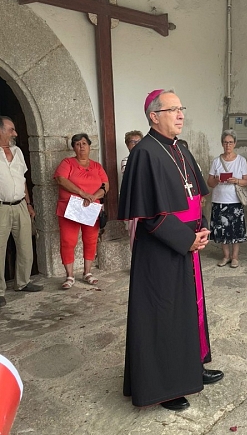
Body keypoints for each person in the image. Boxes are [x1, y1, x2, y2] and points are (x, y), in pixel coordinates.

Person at [118, 89, 223, 411]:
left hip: (187, 242)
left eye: (182, 108)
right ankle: (165, 386)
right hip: (161, 249)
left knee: (189, 309)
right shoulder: (144, 153)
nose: (181, 115)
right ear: (154, 115)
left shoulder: (180, 149)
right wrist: (185, 239)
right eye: (173, 109)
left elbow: (195, 195)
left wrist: (202, 227)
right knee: (164, 315)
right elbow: (149, 213)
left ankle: (191, 367)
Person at [54, 133, 109, 289]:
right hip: (71, 208)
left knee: (90, 240)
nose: (81, 147)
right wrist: (83, 193)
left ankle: (87, 272)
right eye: (77, 144)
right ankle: (70, 276)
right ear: (73, 148)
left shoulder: (97, 166)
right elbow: (61, 179)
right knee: (68, 241)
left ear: (89, 146)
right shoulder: (67, 163)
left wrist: (93, 197)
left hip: (91, 209)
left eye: (84, 143)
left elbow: (106, 185)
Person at [0, 116, 43, 307]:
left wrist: (29, 203)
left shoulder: (17, 152)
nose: (15, 133)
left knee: (25, 244)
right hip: (1, 207)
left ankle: (23, 282)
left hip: (20, 206)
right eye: (11, 130)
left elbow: (23, 179)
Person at [207, 129, 247, 268]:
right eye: (225, 142)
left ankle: (235, 257)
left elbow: (246, 181)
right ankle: (225, 256)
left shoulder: (241, 161)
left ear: (235, 143)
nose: (228, 145)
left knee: (235, 230)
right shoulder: (216, 161)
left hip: (235, 201)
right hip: (219, 200)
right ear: (222, 144)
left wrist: (236, 180)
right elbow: (209, 182)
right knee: (222, 230)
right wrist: (217, 179)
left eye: (230, 142)